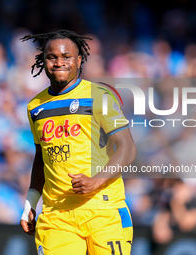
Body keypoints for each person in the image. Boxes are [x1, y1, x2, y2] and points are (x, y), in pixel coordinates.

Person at [20, 30, 136, 255]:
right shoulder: (35, 106)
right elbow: (41, 157)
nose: (59, 62)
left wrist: (96, 181)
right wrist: (30, 202)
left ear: (79, 60)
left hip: (104, 210)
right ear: (43, 61)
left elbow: (128, 148)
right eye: (52, 57)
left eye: (66, 57)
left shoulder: (98, 95)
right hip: (57, 215)